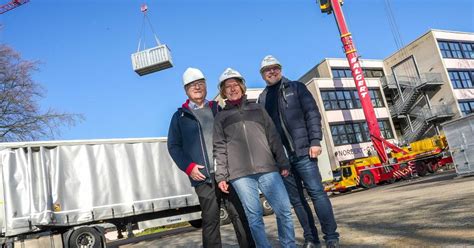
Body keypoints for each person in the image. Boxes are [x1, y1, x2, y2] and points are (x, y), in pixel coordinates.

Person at [257, 55, 340, 248]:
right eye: (267, 70)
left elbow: (312, 113)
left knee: (317, 193)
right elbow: (265, 132)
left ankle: (331, 237)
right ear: (262, 75)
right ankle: (311, 238)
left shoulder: (296, 88)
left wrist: (315, 141)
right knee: (297, 201)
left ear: (280, 69)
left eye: (275, 67)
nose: (272, 71)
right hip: (283, 160)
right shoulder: (262, 99)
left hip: (304, 152)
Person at [167, 67, 254, 248]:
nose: (197, 87)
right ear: (186, 90)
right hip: (203, 178)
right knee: (210, 221)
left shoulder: (217, 109)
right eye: (192, 85)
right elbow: (173, 146)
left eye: (200, 83)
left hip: (227, 173)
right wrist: (189, 167)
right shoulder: (180, 117)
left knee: (239, 215)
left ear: (206, 86)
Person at [213, 68, 296, 248]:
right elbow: (219, 148)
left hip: (268, 169)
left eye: (236, 84)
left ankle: (289, 245)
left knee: (284, 210)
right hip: (240, 175)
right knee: (254, 218)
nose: (233, 88)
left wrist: (283, 162)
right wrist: (221, 176)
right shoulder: (220, 117)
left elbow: (273, 136)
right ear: (223, 91)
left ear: (242, 87)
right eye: (228, 86)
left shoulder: (258, 109)